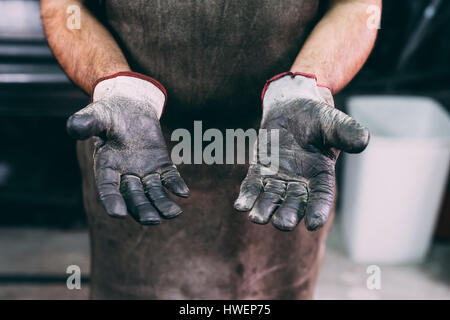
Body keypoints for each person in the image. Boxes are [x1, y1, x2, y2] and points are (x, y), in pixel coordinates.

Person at [41, 0, 380, 299]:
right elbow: (65, 7)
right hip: (133, 148)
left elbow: (355, 5)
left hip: (284, 152)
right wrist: (115, 85)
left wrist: (305, 88)